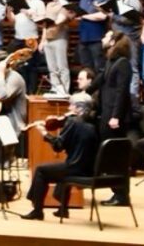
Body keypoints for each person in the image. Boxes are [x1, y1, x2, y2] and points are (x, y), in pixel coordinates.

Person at [20, 93, 99, 221]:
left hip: (76, 168)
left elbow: (58, 146)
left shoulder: (73, 122)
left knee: (41, 170)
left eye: (71, 105)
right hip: (90, 168)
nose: (69, 108)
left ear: (79, 108)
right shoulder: (94, 121)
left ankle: (37, 211)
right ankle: (63, 209)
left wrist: (45, 134)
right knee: (60, 167)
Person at [83, 35, 134, 206]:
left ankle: (122, 195)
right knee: (109, 156)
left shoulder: (124, 63)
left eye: (106, 36)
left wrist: (116, 116)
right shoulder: (111, 61)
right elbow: (99, 81)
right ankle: (117, 192)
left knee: (116, 157)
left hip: (114, 117)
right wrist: (84, 93)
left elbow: (121, 92)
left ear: (113, 42)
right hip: (106, 113)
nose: (103, 38)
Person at [104, 0, 143, 97]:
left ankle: (133, 96)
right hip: (119, 37)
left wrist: (113, 16)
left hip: (130, 38)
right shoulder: (120, 1)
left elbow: (130, 19)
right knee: (117, 65)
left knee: (132, 66)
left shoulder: (134, 0)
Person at [40, 0, 72, 97]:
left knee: (61, 66)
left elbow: (61, 19)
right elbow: (45, 25)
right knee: (52, 67)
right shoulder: (49, 5)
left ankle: (64, 90)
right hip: (48, 39)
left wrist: (55, 21)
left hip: (60, 38)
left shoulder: (66, 5)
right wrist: (42, 41)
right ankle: (55, 89)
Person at [77, 0, 110, 74]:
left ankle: (100, 89)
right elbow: (79, 15)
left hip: (96, 39)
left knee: (99, 67)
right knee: (86, 68)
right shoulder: (83, 0)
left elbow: (102, 15)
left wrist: (84, 16)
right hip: (83, 39)